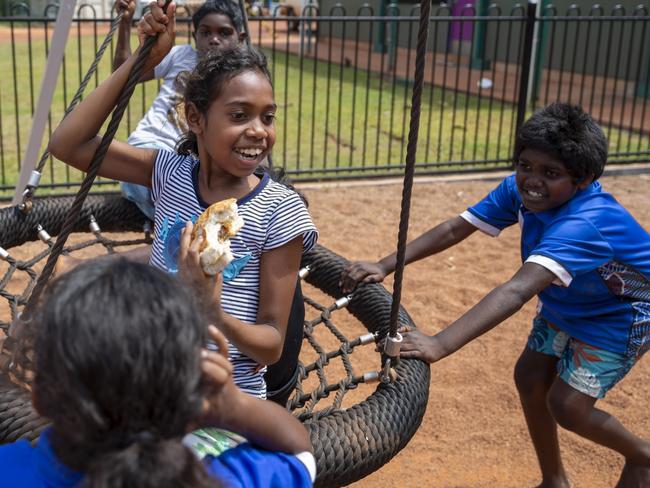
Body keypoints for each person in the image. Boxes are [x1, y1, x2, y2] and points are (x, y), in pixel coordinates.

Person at [339, 103, 650, 488]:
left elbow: (518, 289)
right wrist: (386, 264)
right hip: (567, 303)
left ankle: (642, 455)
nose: (532, 180)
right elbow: (457, 228)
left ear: (583, 179)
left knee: (568, 406)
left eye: (550, 173)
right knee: (530, 377)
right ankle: (554, 479)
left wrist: (440, 343)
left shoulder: (586, 222)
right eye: (525, 166)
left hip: (619, 317)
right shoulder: (521, 190)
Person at [48, 0, 318, 404]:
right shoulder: (169, 173)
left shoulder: (280, 211)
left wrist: (212, 309)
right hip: (151, 374)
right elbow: (67, 144)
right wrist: (142, 62)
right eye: (240, 115)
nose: (259, 131)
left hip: (222, 395)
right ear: (195, 118)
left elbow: (271, 344)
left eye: (268, 117)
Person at [0, 254, 316, 487]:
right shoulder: (228, 479)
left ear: (40, 394)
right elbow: (299, 451)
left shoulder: (10, 472)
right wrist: (229, 405)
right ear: (189, 404)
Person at [113, 0, 246, 220]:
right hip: (152, 147)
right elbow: (124, 74)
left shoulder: (240, 80)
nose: (214, 39)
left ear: (240, 39)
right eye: (205, 32)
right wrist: (125, 24)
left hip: (191, 163)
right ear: (195, 37)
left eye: (224, 33)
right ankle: (189, 230)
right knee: (181, 198)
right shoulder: (182, 55)